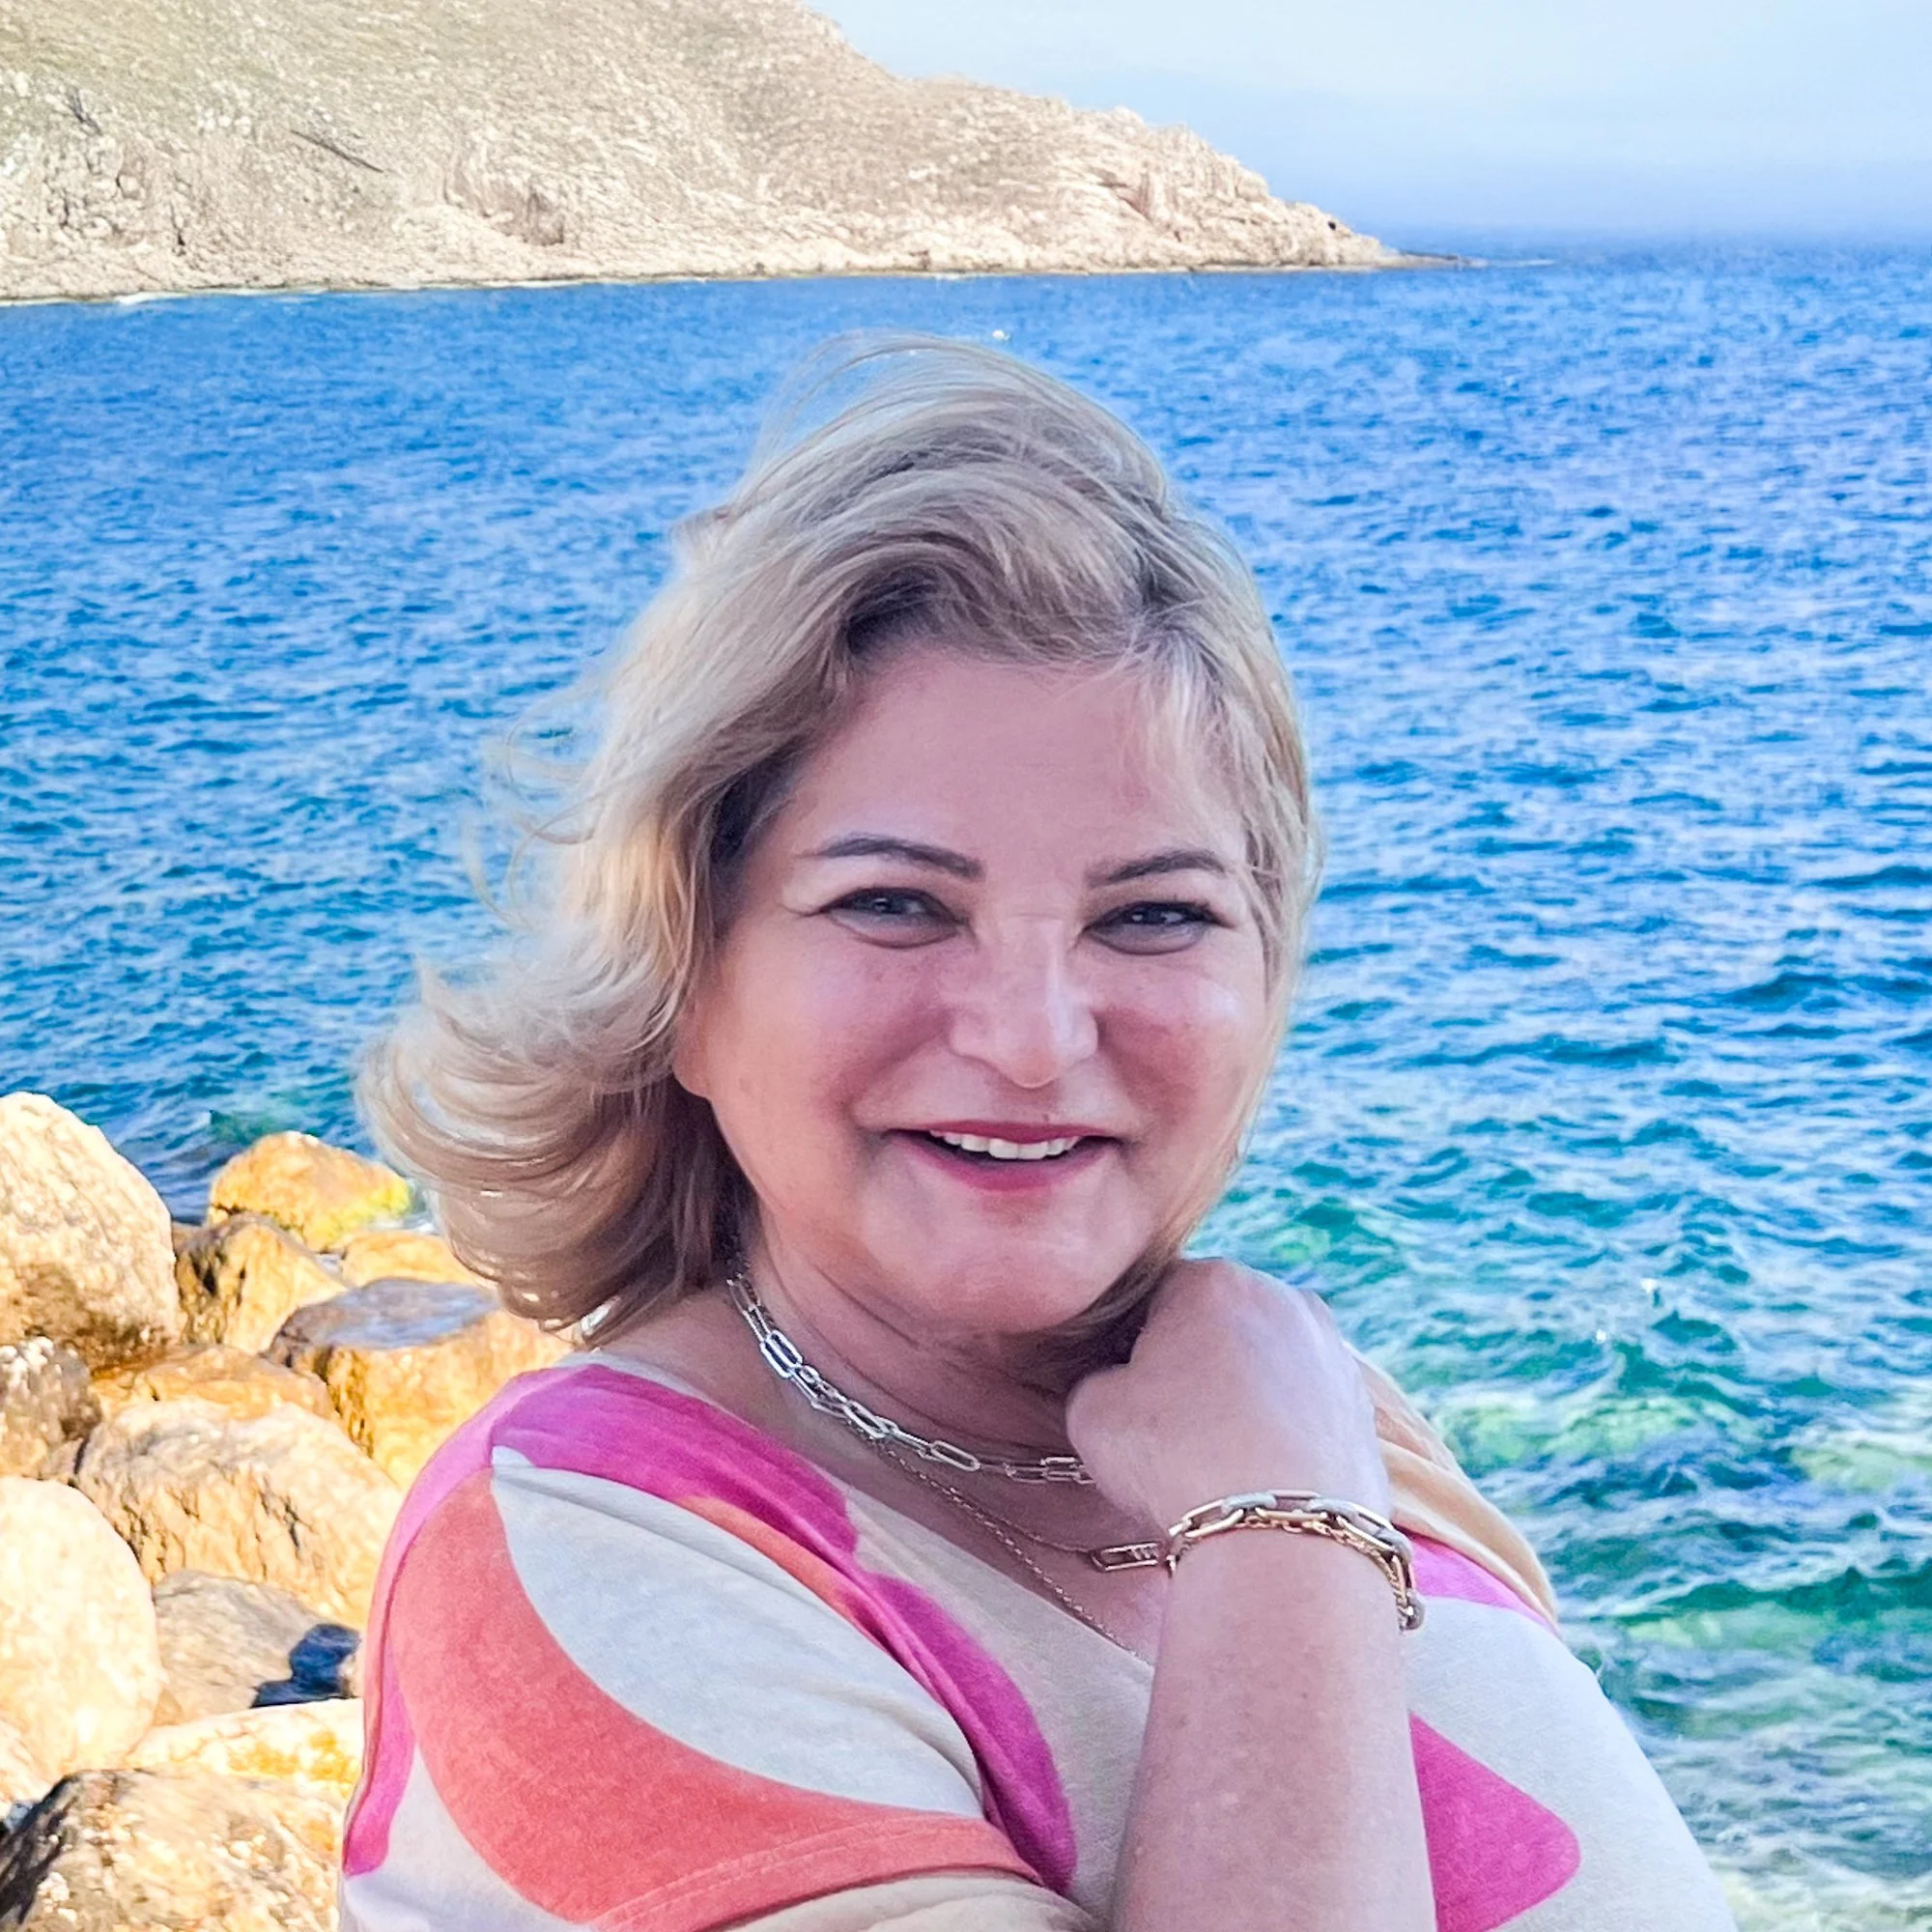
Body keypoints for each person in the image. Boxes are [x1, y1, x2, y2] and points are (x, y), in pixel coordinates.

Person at [341, 342, 1737, 1932]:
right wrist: (1281, 1538)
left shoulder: (1289, 1400)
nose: (1032, 1036)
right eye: (893, 904)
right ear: (688, 984)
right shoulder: (579, 1551)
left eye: (1153, 915)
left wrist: (1292, 1470)